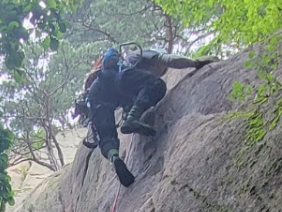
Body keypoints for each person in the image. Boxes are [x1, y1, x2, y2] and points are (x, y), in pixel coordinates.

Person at [74, 46, 216, 188]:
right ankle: (132, 119)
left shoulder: (103, 76)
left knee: (106, 136)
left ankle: (114, 157)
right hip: (119, 78)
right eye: (161, 70)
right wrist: (195, 63)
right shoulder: (139, 56)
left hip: (96, 95)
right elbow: (168, 60)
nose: (160, 72)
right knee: (157, 85)